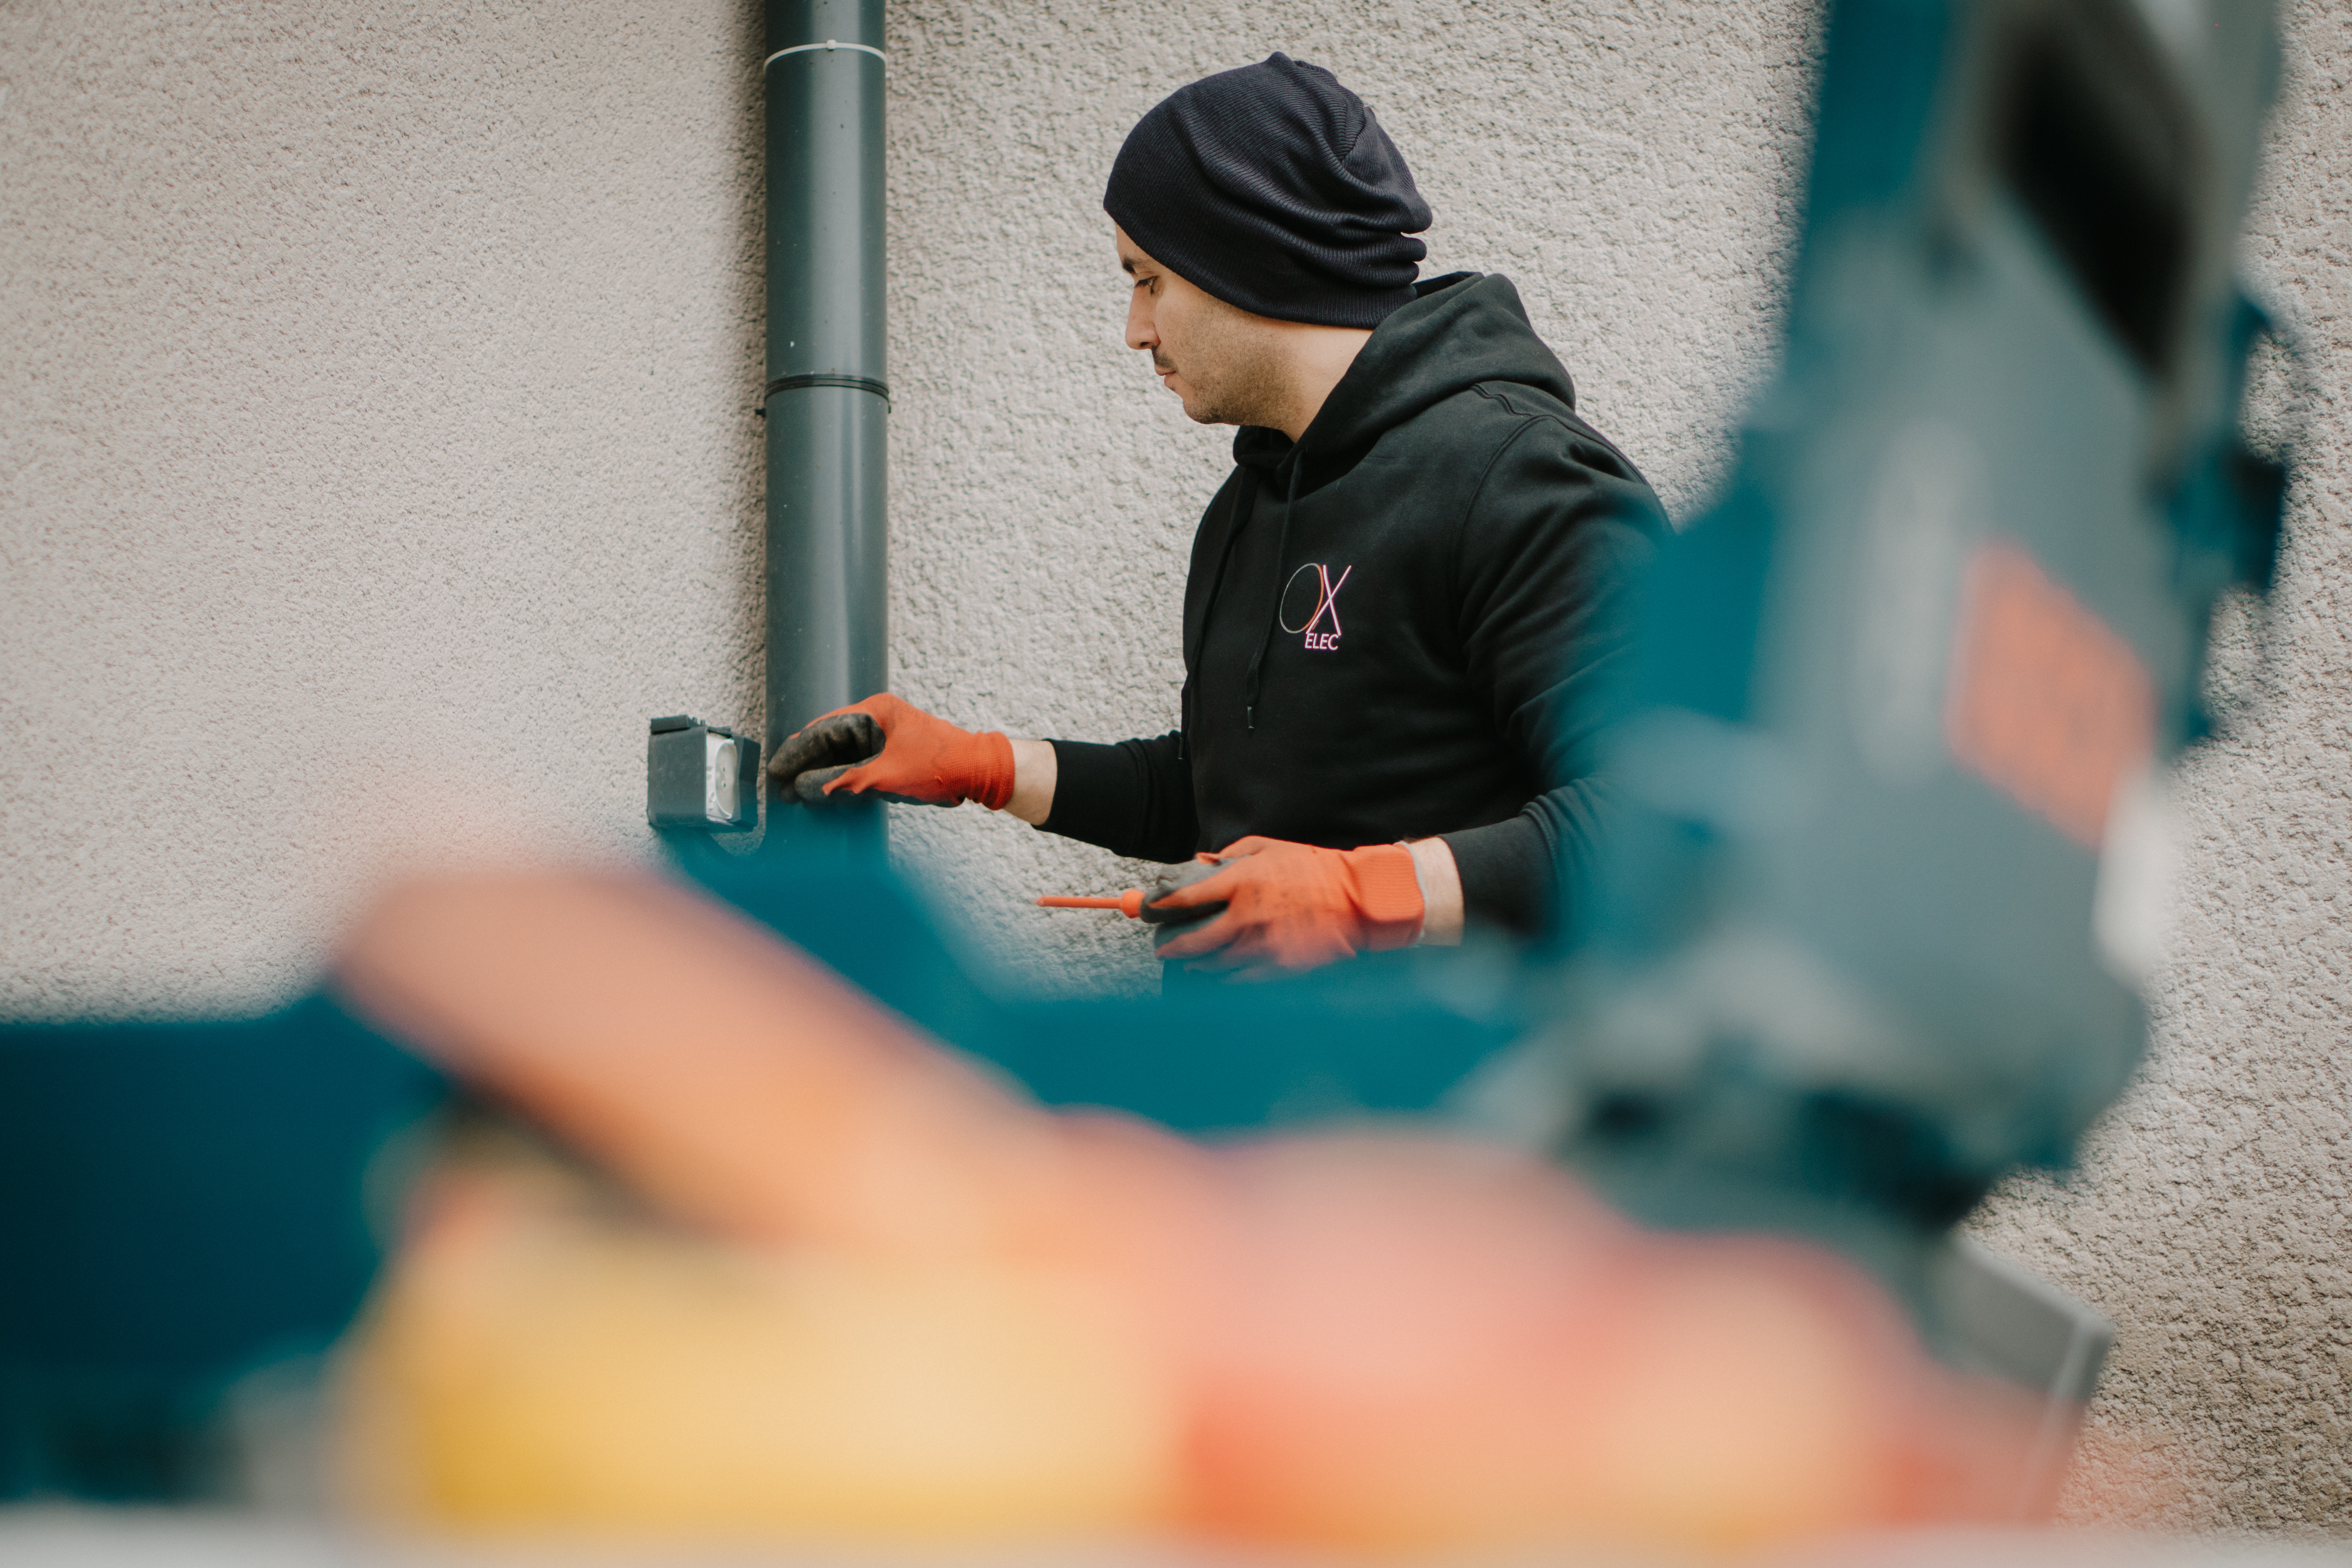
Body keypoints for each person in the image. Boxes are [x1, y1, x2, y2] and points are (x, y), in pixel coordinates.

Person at [772, 53, 1664, 975]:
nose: (1135, 329)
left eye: (1148, 278)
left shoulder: (1521, 478)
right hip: (1251, 1093)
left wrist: (1369, 895)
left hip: (1449, 1102)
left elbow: (1664, 817)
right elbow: (1217, 794)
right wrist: (989, 766)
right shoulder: (1244, 510)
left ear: (1248, 259)